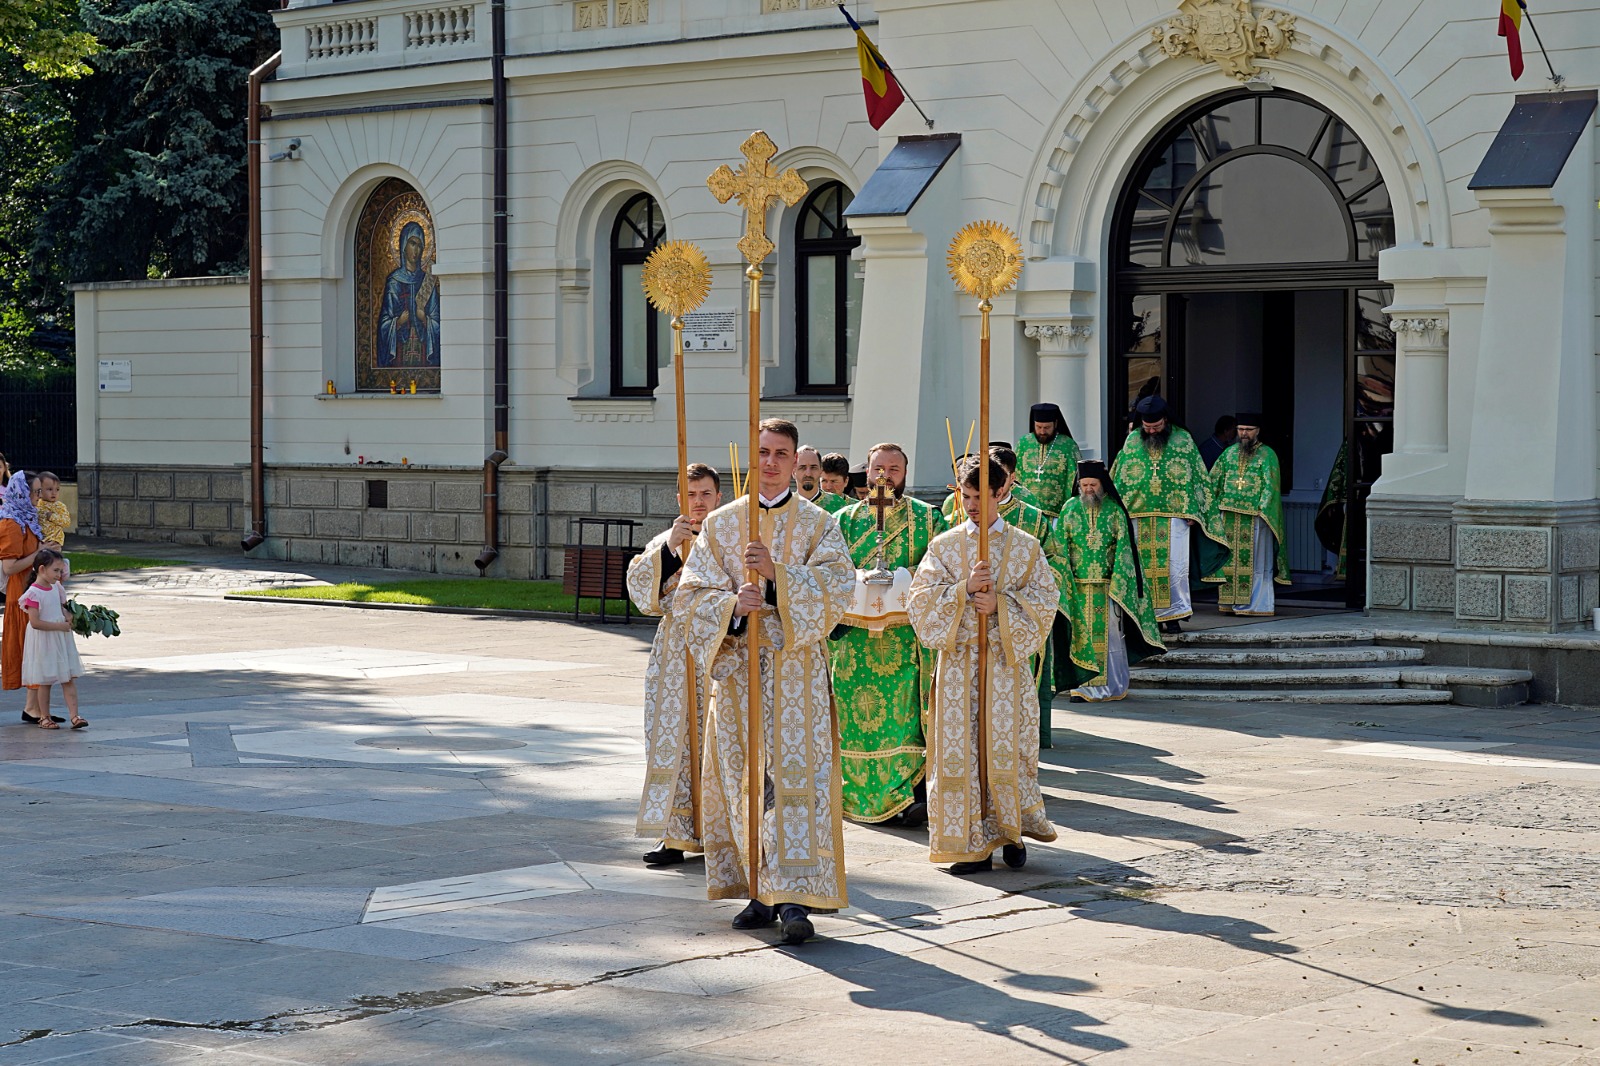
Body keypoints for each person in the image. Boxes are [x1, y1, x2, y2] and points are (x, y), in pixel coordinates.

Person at [674, 418, 855, 945]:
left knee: (798, 783)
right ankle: (759, 890)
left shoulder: (821, 524)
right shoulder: (723, 525)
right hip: (738, 676)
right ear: (751, 457)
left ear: (797, 460)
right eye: (763, 452)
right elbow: (689, 599)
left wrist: (778, 580)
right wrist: (733, 606)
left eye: (782, 453)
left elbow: (838, 588)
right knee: (746, 781)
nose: (772, 462)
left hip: (797, 676)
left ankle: (795, 895)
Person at [908, 457, 1059, 875]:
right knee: (961, 754)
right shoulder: (945, 546)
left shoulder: (1025, 547)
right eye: (966, 496)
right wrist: (962, 591)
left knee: (1007, 751)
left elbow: (1046, 603)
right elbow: (920, 604)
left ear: (999, 494)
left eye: (980, 497)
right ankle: (970, 843)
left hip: (1006, 670)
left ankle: (1011, 833)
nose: (971, 505)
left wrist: (1001, 607)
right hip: (958, 669)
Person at [830, 442, 946, 827]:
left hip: (904, 641)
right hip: (853, 643)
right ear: (867, 472)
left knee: (904, 716)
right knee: (853, 719)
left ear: (905, 474)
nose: (885, 477)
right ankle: (851, 792)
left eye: (893, 470)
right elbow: (829, 572)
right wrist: (861, 582)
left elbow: (941, 572)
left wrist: (902, 579)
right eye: (879, 469)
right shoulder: (844, 521)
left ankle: (905, 793)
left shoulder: (928, 519)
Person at [626, 463, 723, 866]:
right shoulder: (665, 540)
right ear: (680, 499)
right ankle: (675, 835)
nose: (698, 503)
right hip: (674, 652)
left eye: (705, 494)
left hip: (719, 651)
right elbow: (641, 592)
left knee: (717, 742)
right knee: (671, 741)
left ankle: (719, 833)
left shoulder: (728, 538)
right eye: (691, 495)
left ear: (718, 497)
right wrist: (669, 549)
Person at [1110, 395, 1230, 635]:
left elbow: (1197, 478)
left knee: (1174, 567)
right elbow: (1119, 476)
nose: (1152, 431)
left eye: (1157, 426)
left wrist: (1195, 511)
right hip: (1137, 514)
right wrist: (1116, 511)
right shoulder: (1133, 440)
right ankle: (1144, 617)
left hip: (1175, 516)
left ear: (1166, 420)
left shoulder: (1183, 440)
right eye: (1147, 427)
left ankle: (1174, 616)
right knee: (1140, 568)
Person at [1054, 462, 1164, 702]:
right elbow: (1060, 546)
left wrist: (1119, 584)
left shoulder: (1115, 511)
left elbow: (1125, 550)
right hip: (1078, 587)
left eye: (1093, 484)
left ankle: (1112, 686)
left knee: (1111, 638)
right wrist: (1064, 580)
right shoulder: (1069, 509)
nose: (1088, 489)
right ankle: (1082, 688)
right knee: (1080, 637)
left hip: (1107, 587)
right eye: (1084, 485)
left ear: (1102, 484)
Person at [1211, 414, 1291, 615]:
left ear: (1258, 431)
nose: (1244, 434)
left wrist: (1262, 511)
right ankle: (1230, 603)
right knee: (1229, 561)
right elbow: (1213, 482)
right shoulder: (1228, 454)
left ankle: (1257, 604)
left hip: (1255, 518)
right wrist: (1211, 509)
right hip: (1228, 516)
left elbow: (1271, 487)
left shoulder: (1267, 455)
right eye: (1240, 429)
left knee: (1255, 562)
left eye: (1248, 429)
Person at [0, 471, 54, 725]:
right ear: (22, 493)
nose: (39, 497)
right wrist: (40, 553)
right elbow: (9, 567)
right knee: (32, 649)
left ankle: (33, 707)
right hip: (21, 595)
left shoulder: (27, 518)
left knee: (37, 649)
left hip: (33, 591)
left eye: (40, 492)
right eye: (35, 492)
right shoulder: (12, 523)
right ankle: (33, 708)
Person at [20, 549, 86, 730]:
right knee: (45, 680)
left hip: (59, 638)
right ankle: (44, 717)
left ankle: (75, 716)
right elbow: (35, 622)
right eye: (56, 570)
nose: (60, 575)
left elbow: (61, 607)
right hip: (44, 640)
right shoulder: (34, 593)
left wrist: (68, 616)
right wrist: (59, 626)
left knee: (68, 677)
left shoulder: (56, 587)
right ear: (42, 569)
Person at [1015, 403, 1081, 518]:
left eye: (1047, 428)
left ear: (1055, 424)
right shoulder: (1023, 443)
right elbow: (1015, 475)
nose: (1042, 432)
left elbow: (1075, 477)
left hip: (1057, 512)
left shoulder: (1068, 445)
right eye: (1038, 427)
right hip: (1027, 511)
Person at [792, 446, 850, 514]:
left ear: (821, 471)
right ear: (793, 472)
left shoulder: (839, 504)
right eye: (802, 468)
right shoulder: (783, 505)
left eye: (813, 467)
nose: (808, 474)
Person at [36, 473, 71, 553]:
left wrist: (52, 517)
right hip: (39, 540)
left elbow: (66, 522)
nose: (54, 493)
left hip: (54, 540)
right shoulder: (37, 503)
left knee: (52, 560)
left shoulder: (59, 506)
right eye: (50, 489)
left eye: (57, 489)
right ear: (40, 490)